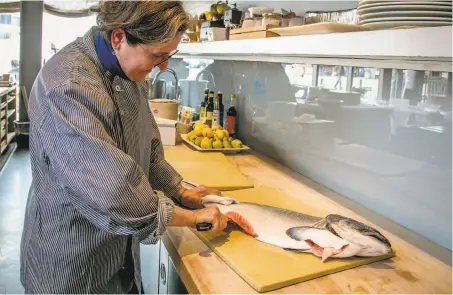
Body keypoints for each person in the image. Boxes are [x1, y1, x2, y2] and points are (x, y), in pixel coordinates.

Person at [20, 1, 228, 294]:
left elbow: (149, 145)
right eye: (158, 56)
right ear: (119, 37)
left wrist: (179, 191)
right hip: (71, 263)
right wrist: (192, 218)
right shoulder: (67, 85)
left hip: (119, 257)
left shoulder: (128, 70)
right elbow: (115, 191)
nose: (163, 67)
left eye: (168, 55)